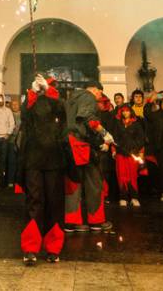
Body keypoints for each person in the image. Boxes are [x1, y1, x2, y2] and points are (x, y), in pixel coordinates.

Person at [20, 74, 66, 265]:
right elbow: (25, 117)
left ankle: (53, 248)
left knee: (54, 203)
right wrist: (31, 93)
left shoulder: (56, 101)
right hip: (33, 159)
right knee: (34, 201)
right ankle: (31, 248)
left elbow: (62, 113)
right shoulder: (31, 101)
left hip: (54, 159)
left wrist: (49, 92)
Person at [64, 79, 114, 233]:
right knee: (94, 182)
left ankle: (71, 222)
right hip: (82, 145)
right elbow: (87, 118)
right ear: (95, 89)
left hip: (68, 144)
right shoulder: (88, 97)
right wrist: (105, 133)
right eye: (100, 93)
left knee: (73, 183)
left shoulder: (71, 99)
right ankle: (96, 221)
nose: (99, 97)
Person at [113, 103, 145, 208]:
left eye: (127, 111)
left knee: (132, 176)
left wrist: (135, 149)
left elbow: (141, 139)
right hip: (120, 153)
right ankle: (123, 198)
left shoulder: (136, 124)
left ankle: (134, 197)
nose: (125, 113)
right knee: (121, 176)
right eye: (123, 111)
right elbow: (114, 139)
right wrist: (116, 150)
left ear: (131, 112)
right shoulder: (117, 124)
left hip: (132, 154)